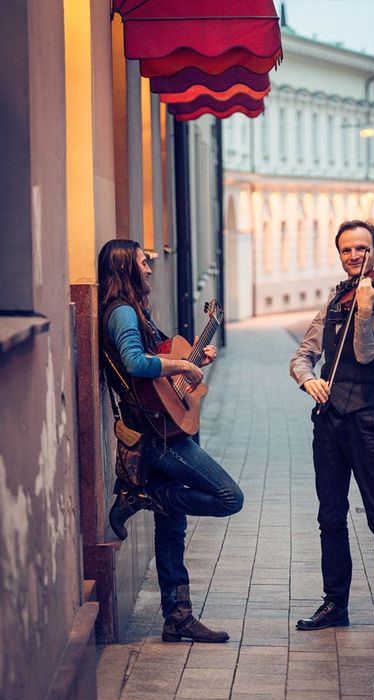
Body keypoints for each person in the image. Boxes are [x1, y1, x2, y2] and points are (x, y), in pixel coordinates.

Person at [98, 238, 244, 643]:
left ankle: (177, 617)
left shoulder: (136, 311)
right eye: (144, 262)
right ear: (127, 266)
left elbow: (162, 368)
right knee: (230, 498)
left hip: (162, 425)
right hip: (158, 439)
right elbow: (135, 363)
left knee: (172, 528)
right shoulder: (123, 313)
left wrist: (195, 359)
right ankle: (142, 498)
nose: (149, 268)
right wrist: (183, 363)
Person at [289, 220, 374, 644]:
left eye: (361, 248)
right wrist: (307, 380)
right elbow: (303, 355)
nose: (354, 256)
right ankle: (335, 605)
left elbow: (365, 351)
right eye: (346, 250)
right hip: (330, 423)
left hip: (370, 422)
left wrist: (363, 307)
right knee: (330, 517)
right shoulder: (334, 297)